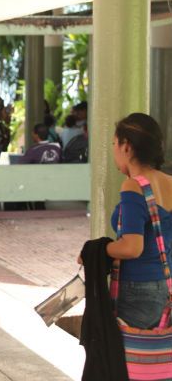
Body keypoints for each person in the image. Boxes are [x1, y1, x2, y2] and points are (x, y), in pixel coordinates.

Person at [79, 113, 172, 329]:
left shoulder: (133, 186)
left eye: (114, 143)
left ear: (126, 147)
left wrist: (96, 250)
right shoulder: (169, 182)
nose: (113, 150)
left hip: (137, 288)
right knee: (155, 357)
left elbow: (132, 247)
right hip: (165, 285)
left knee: (123, 358)